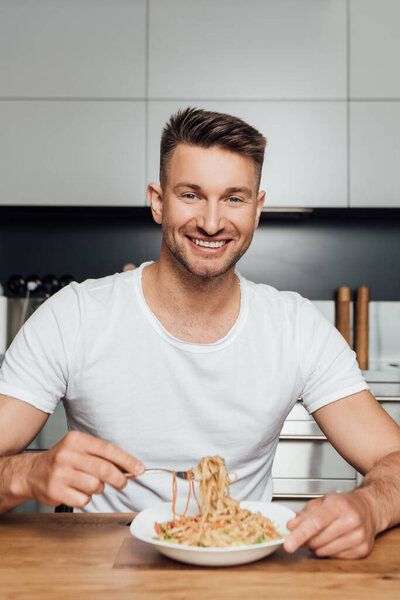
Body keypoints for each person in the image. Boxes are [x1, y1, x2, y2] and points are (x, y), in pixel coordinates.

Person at [0, 108, 399, 559]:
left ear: (257, 208)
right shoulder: (72, 316)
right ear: (158, 201)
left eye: (234, 198)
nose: (211, 222)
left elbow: (394, 460)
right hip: (102, 569)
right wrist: (25, 474)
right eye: (191, 195)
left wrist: (370, 506)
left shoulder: (296, 327)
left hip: (245, 569)